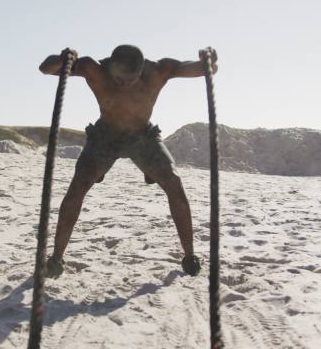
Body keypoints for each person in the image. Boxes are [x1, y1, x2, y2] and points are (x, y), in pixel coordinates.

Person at [39, 45, 217, 278]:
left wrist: (208, 60)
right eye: (118, 79)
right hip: (105, 138)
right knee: (77, 188)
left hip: (143, 137)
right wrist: (63, 59)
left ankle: (190, 255)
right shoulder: (95, 69)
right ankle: (56, 258)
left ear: (141, 70)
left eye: (130, 80)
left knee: (174, 182)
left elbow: (205, 69)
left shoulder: (159, 71)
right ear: (109, 66)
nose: (123, 85)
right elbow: (46, 68)